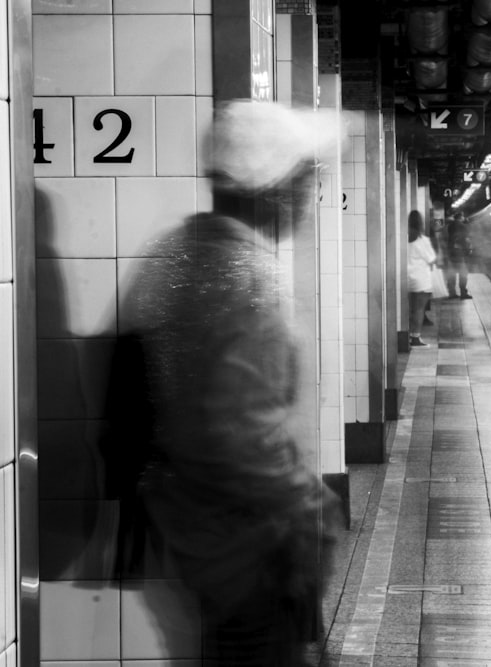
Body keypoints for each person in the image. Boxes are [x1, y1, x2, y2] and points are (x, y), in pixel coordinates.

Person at [116, 100, 338, 666]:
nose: (312, 196)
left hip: (187, 540)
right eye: (308, 178)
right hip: (248, 553)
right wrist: (311, 510)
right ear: (275, 188)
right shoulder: (247, 276)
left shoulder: (174, 253)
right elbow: (240, 432)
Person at [407, 209, 437, 347]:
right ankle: (416, 337)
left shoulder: (405, 238)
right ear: (420, 223)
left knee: (412, 309)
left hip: (407, 278)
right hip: (421, 279)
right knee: (419, 310)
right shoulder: (422, 240)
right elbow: (431, 259)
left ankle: (409, 335)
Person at [445, 211, 474, 299]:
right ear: (461, 217)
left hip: (450, 252)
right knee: (463, 273)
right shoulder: (462, 226)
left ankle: (452, 293)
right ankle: (463, 293)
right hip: (459, 253)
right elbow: (465, 239)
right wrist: (468, 250)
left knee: (452, 273)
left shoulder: (450, 226)